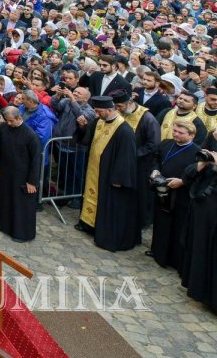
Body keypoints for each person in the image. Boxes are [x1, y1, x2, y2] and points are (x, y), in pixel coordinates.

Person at [74, 96, 141, 251]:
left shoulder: (124, 129)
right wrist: (83, 127)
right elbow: (87, 140)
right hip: (94, 169)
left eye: (99, 111)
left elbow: (127, 157)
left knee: (106, 202)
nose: (97, 114)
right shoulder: (99, 122)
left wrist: (119, 178)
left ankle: (101, 229)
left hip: (109, 174)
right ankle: (89, 224)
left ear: (110, 110)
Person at [148, 120, 201, 271]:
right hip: (162, 191)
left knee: (176, 226)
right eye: (175, 131)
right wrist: (155, 170)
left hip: (181, 196)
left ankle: (173, 259)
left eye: (180, 133)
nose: (176, 134)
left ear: (191, 135)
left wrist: (182, 181)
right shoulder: (166, 143)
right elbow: (156, 159)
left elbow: (197, 175)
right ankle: (158, 252)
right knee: (160, 223)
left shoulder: (196, 152)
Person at [112, 87, 161, 228]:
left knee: (140, 194)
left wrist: (133, 154)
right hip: (123, 161)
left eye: (120, 106)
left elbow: (153, 144)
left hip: (141, 163)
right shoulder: (122, 113)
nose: (118, 109)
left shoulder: (147, 118)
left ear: (129, 102)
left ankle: (141, 222)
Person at [0, 105, 42, 243]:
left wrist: (32, 181)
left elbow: (35, 160)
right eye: (7, 121)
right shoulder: (4, 128)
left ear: (19, 118)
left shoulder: (31, 136)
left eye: (11, 121)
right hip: (6, 171)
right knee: (5, 199)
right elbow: (0, 148)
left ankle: (21, 233)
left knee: (21, 204)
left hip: (23, 176)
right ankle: (3, 224)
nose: (9, 123)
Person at [181, 132, 217, 312]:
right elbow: (187, 176)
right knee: (200, 248)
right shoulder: (210, 143)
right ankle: (200, 289)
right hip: (202, 209)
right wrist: (203, 164)